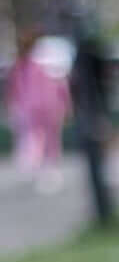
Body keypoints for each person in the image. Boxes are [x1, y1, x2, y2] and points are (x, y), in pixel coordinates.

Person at [4, 30, 71, 191]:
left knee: (47, 140)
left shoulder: (39, 64)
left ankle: (47, 170)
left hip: (45, 108)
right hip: (35, 110)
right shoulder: (22, 67)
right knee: (39, 139)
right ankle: (42, 168)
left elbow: (59, 86)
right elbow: (15, 91)